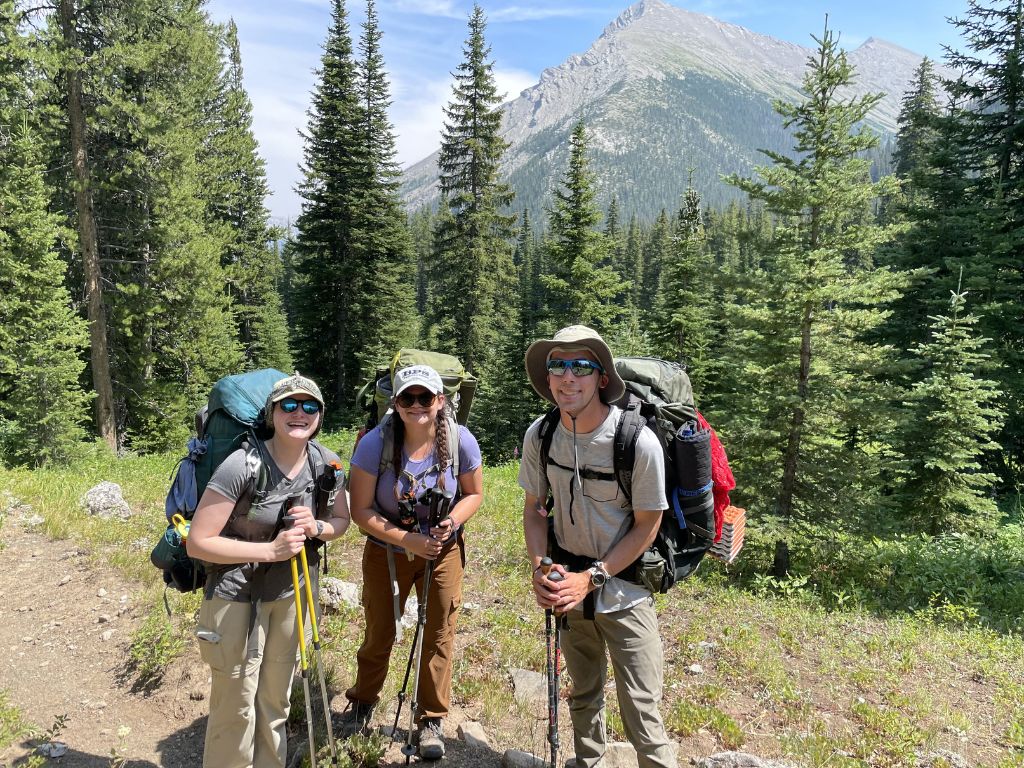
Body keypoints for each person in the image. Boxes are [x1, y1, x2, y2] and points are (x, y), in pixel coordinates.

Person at [519, 325, 676, 768]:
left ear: (601, 378)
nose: (568, 377)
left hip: (624, 593)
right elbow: (535, 509)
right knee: (583, 696)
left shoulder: (636, 442)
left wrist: (592, 578)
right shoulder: (541, 434)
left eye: (581, 366)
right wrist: (540, 567)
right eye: (558, 366)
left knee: (642, 712)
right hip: (567, 589)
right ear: (548, 377)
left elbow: (648, 525)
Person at [187, 372, 350, 768]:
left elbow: (342, 520)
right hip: (236, 596)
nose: (299, 413)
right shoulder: (242, 463)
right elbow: (199, 541)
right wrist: (270, 550)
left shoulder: (325, 463)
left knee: (274, 700)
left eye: (309, 406)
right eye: (289, 406)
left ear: (320, 415)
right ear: (272, 413)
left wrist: (318, 527)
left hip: (292, 594)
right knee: (235, 705)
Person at [344, 364, 483, 760]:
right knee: (380, 629)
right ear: (396, 403)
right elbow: (361, 509)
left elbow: (473, 494)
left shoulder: (460, 441)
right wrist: (409, 539)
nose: (417, 405)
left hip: (443, 552)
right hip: (386, 552)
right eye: (408, 398)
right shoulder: (375, 443)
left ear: (441, 401)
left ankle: (431, 720)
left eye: (426, 397)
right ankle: (363, 702)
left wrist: (451, 522)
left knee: (439, 633)